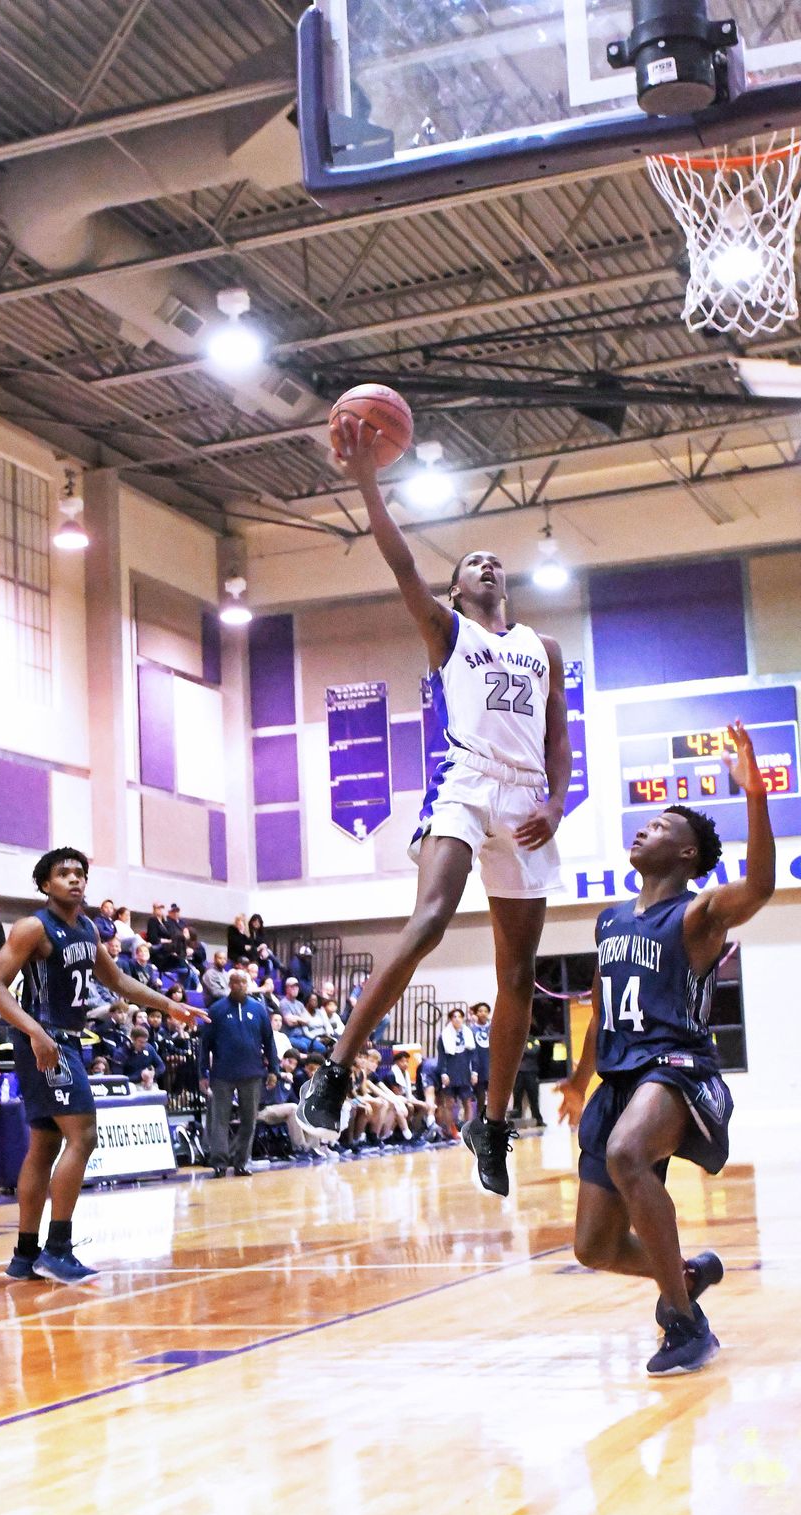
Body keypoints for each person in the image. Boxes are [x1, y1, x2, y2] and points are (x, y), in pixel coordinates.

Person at [297, 419, 571, 1202]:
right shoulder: (445, 630)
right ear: (456, 591)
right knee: (428, 923)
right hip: (466, 781)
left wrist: (555, 802)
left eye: (494, 558)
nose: (484, 561)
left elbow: (558, 737)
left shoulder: (542, 648)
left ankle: (489, 1122)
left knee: (516, 971)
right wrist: (365, 483)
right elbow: (399, 558)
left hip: (525, 799)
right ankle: (336, 1069)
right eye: (470, 562)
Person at [557, 722, 774, 1377]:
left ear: (685, 854)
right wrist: (575, 1079)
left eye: (660, 825)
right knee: (593, 1245)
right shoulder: (611, 919)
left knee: (629, 1153)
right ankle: (683, 1275)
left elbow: (759, 888)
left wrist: (756, 799)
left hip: (675, 1069)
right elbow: (601, 1010)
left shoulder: (697, 913)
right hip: (620, 1078)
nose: (644, 829)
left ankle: (682, 1322)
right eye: (645, 823)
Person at [0, 847, 205, 1285]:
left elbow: (118, 981)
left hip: (62, 1041)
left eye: (80, 873)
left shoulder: (85, 927)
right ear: (45, 884)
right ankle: (58, 1249)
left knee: (45, 1146)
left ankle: (25, 1253)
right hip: (47, 1042)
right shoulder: (33, 927)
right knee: (83, 1136)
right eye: (63, 873)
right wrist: (37, 1034)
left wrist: (168, 1006)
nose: (74, 879)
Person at [198, 966, 279, 1177]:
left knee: (249, 1120)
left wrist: (273, 1070)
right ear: (229, 984)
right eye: (234, 982)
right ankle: (219, 1163)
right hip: (222, 1074)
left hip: (252, 1073)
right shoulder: (216, 1010)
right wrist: (202, 1073)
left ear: (249, 984)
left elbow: (269, 1042)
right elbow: (204, 1045)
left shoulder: (259, 1009)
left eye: (243, 982)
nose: (239, 986)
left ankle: (242, 1161)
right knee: (219, 1120)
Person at [437, 1008, 477, 1127]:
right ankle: (450, 1131)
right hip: (450, 1071)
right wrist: (443, 1073)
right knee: (449, 1103)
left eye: (459, 1016)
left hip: (465, 1071)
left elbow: (474, 1055)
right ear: (450, 1019)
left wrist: (475, 1072)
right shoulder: (444, 1035)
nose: (457, 1019)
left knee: (467, 1102)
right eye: (454, 1017)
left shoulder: (469, 1033)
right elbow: (441, 1056)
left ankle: (468, 1130)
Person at [511, 1032, 544, 1128]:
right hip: (519, 1073)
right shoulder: (515, 1039)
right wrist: (525, 1049)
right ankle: (515, 1122)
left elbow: (536, 1050)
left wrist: (523, 1049)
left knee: (534, 1098)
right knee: (517, 1097)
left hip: (531, 1073)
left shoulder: (533, 1039)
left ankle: (538, 1119)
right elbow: (514, 1051)